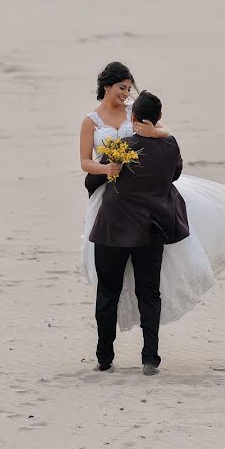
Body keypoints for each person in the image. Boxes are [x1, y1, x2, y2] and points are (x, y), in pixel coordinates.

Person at [79, 62, 225, 340]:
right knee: (111, 278)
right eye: (122, 87)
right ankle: (120, 344)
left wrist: (156, 133)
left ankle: (142, 343)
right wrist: (107, 168)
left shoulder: (136, 109)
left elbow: (163, 131)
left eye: (129, 88)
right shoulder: (91, 121)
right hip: (111, 194)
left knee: (149, 276)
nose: (126, 93)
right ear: (107, 86)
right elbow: (85, 162)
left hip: (146, 191)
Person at [86, 91, 186, 375]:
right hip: (151, 229)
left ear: (132, 118)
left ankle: (105, 357)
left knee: (108, 292)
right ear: (159, 118)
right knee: (149, 293)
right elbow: (175, 174)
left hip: (113, 228)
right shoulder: (170, 146)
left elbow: (93, 178)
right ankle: (150, 357)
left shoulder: (120, 146)